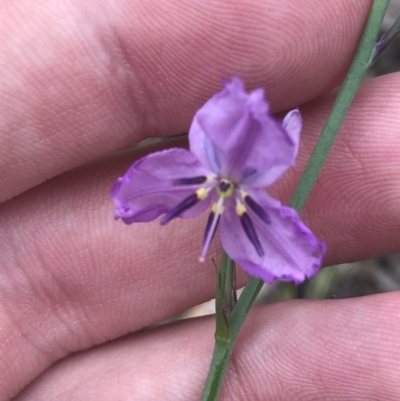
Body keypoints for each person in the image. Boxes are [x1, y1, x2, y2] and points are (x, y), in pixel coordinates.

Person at [1, 0, 399, 399]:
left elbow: (291, 249)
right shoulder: (208, 176)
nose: (223, 191)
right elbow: (136, 194)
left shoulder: (244, 183)